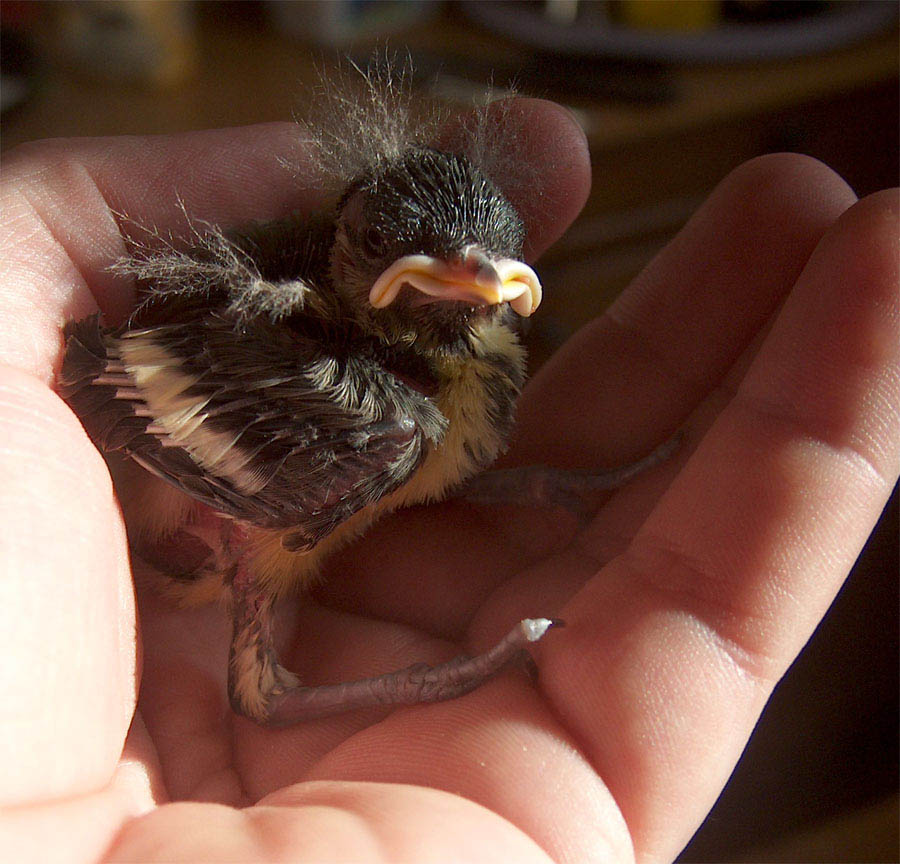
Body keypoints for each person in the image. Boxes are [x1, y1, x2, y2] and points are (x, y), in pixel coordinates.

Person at [0, 100, 896, 863]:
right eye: (409, 253)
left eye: (484, 266)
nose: (466, 281)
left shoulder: (471, 364)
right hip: (174, 485)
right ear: (350, 244)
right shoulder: (356, 411)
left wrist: (531, 485)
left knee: (413, 441)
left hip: (320, 427)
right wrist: (459, 674)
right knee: (371, 469)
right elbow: (128, 395)